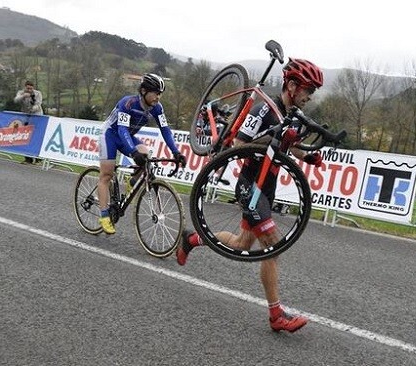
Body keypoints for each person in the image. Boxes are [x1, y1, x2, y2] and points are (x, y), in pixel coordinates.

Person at [177, 58, 324, 333]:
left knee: (242, 243)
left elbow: (288, 146)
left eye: (312, 92)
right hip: (250, 185)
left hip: (267, 187)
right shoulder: (264, 109)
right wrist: (270, 141)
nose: (309, 96)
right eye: (307, 90)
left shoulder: (290, 115)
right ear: (292, 86)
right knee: (272, 243)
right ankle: (276, 315)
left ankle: (192, 239)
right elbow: (239, 143)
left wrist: (309, 157)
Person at [98, 73, 186, 234]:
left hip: (128, 136)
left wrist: (176, 152)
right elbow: (122, 128)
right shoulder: (128, 103)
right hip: (110, 134)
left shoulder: (157, 108)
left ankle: (132, 183)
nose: (158, 97)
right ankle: (104, 215)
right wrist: (132, 151)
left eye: (160, 94)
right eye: (155, 92)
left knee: (146, 156)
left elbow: (165, 131)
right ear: (144, 91)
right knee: (106, 175)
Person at [14, 80, 43, 164]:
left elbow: (38, 105)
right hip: (26, 117)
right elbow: (16, 100)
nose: (29, 90)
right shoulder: (21, 92)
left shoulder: (38, 93)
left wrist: (32, 108)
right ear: (25, 87)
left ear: (33, 88)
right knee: (26, 137)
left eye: (31, 88)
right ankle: (28, 158)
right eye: (28, 88)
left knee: (36, 137)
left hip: (36, 116)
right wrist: (23, 96)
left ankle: (38, 159)